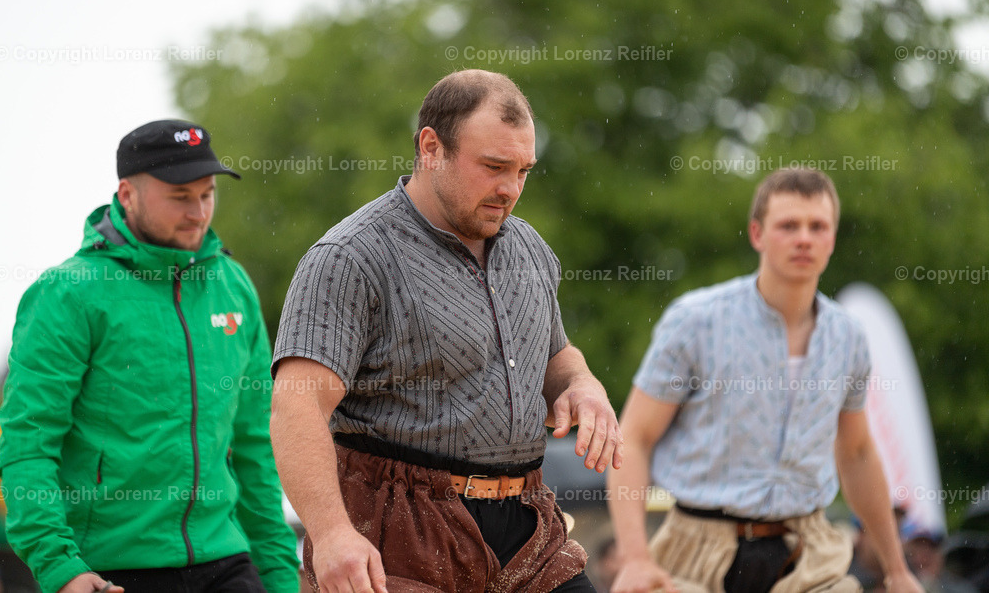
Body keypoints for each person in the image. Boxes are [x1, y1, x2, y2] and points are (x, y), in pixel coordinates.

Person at [270, 69, 623, 592]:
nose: (510, 189)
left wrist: (582, 385)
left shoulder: (530, 248)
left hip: (529, 529)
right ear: (431, 147)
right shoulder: (350, 257)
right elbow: (296, 406)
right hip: (397, 532)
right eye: (494, 167)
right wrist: (332, 534)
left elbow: (555, 355)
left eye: (524, 170)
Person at [0, 120, 300, 593]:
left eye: (207, 193)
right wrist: (60, 569)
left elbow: (255, 445)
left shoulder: (232, 287)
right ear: (127, 194)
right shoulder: (67, 294)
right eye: (180, 196)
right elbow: (27, 446)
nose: (198, 212)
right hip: (107, 569)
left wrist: (281, 575)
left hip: (227, 560)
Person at [606, 168, 924, 593]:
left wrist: (897, 571)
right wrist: (635, 558)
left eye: (818, 226)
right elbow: (634, 437)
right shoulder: (695, 322)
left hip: (809, 554)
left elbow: (858, 453)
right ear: (757, 234)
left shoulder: (849, 337)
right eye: (789, 225)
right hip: (695, 554)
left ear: (832, 238)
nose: (804, 238)